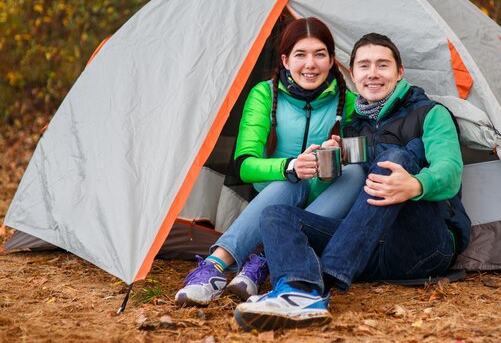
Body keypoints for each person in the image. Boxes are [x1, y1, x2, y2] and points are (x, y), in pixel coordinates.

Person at [233, 33, 471, 331]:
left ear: (399, 72)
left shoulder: (430, 114)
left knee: (398, 157)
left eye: (383, 65)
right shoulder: (352, 126)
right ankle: (296, 287)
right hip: (365, 251)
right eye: (364, 66)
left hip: (421, 247)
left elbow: (450, 171)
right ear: (353, 74)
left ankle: (319, 287)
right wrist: (335, 162)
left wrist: (416, 185)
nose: (373, 73)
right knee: (276, 215)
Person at [174, 18, 366, 307]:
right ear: (286, 61)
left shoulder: (348, 101)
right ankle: (215, 268)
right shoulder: (264, 94)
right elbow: (244, 164)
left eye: (319, 55)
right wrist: (289, 166)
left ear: (331, 61)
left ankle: (263, 259)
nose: (310, 64)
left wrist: (339, 152)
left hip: (323, 205)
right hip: (274, 196)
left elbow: (356, 161)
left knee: (355, 172)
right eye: (301, 55)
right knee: (290, 183)